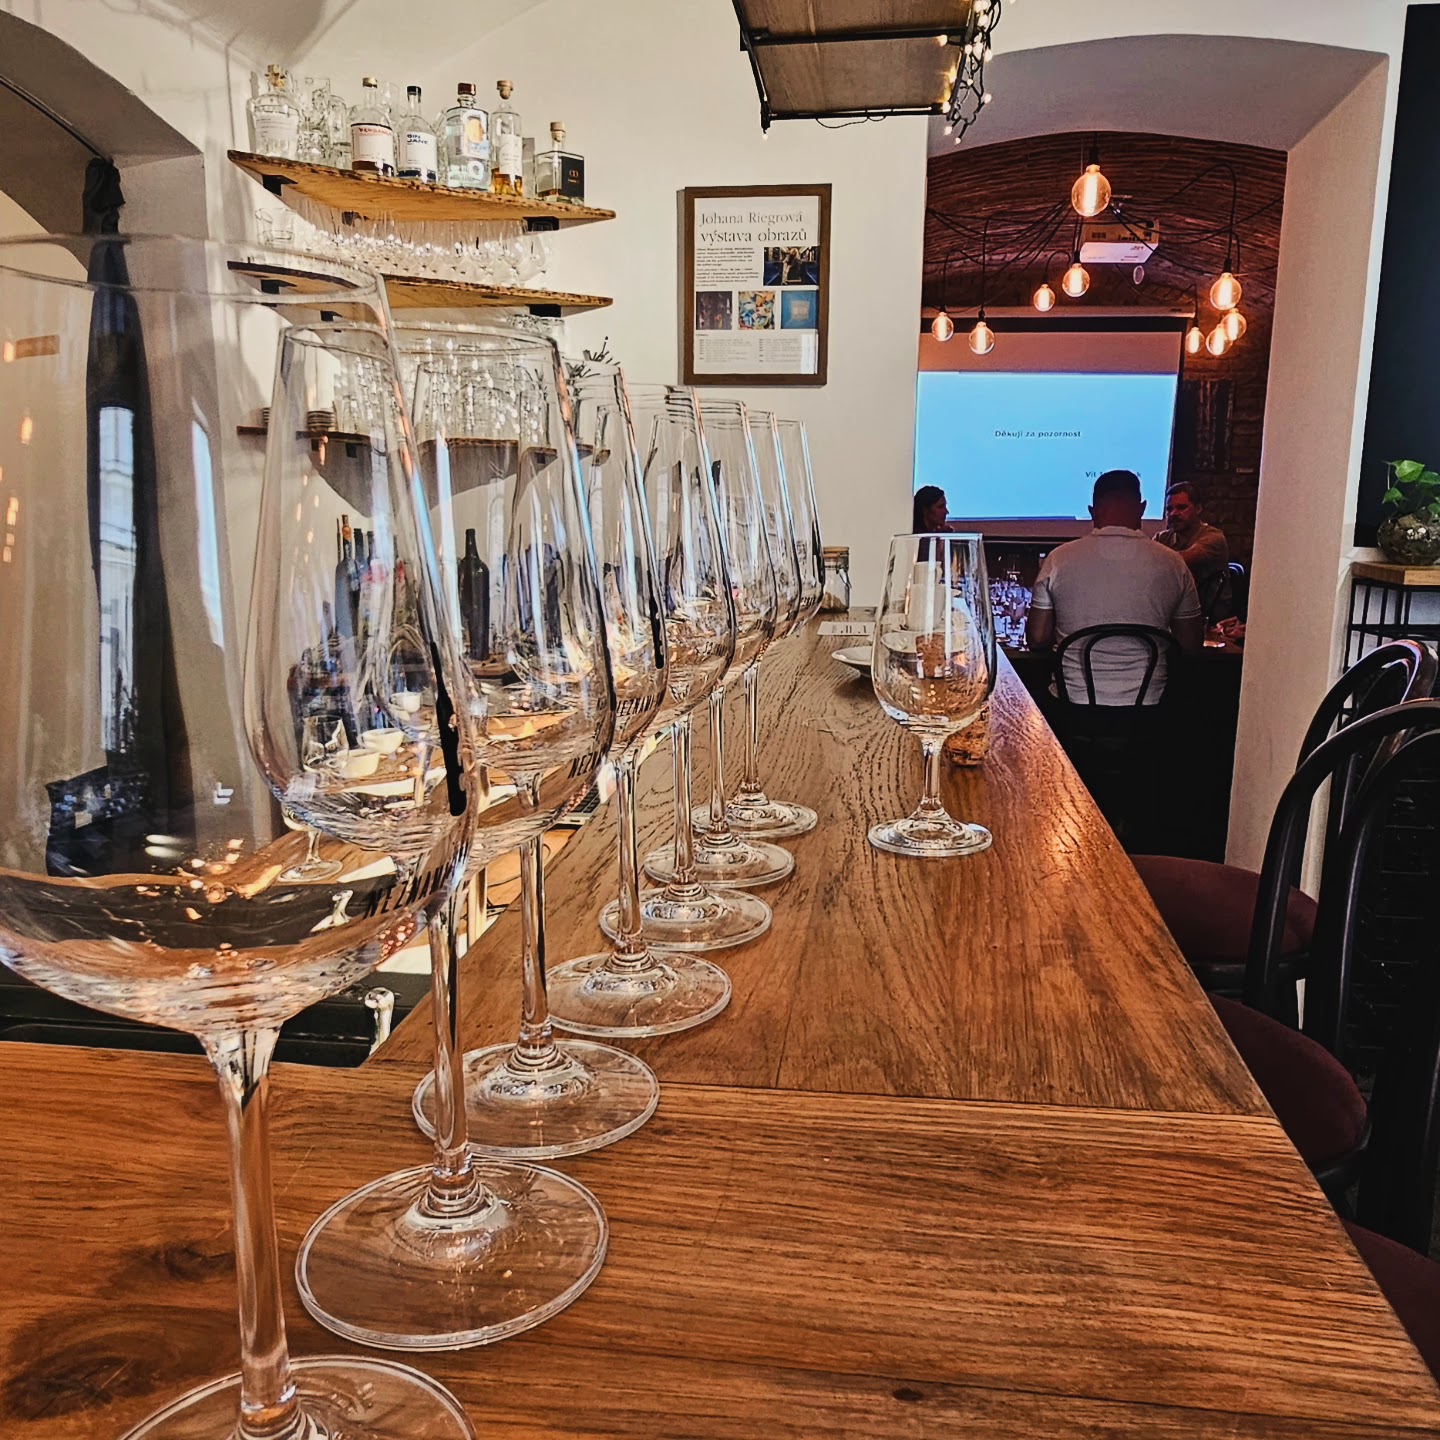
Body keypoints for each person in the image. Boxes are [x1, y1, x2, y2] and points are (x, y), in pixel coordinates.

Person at [1026, 469, 1203, 705]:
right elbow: (1191, 645)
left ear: (1091, 511)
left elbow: (1037, 639)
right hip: (1149, 706)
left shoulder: (1058, 559)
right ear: (1142, 508)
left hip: (1073, 704)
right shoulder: (1174, 563)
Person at [1155, 481, 1232, 621]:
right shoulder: (1163, 538)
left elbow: (1180, 561)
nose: (1173, 514)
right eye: (1169, 509)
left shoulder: (1213, 538)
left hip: (1208, 618)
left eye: (1181, 507)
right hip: (1174, 611)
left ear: (1198, 508)